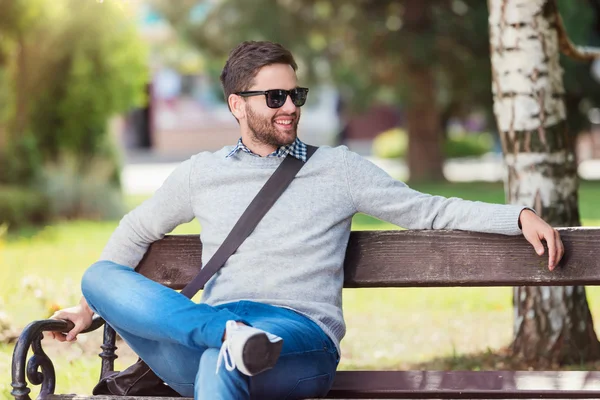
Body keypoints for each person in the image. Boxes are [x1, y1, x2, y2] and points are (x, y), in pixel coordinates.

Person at [50, 41, 564, 400]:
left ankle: (226, 337)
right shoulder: (200, 174)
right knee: (99, 280)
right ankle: (223, 331)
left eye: (296, 95)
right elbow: (137, 229)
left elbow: (428, 209)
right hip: (210, 341)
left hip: (296, 339)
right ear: (237, 105)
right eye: (275, 97)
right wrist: (83, 309)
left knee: (223, 358)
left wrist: (514, 215)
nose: (290, 107)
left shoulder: (336, 168)